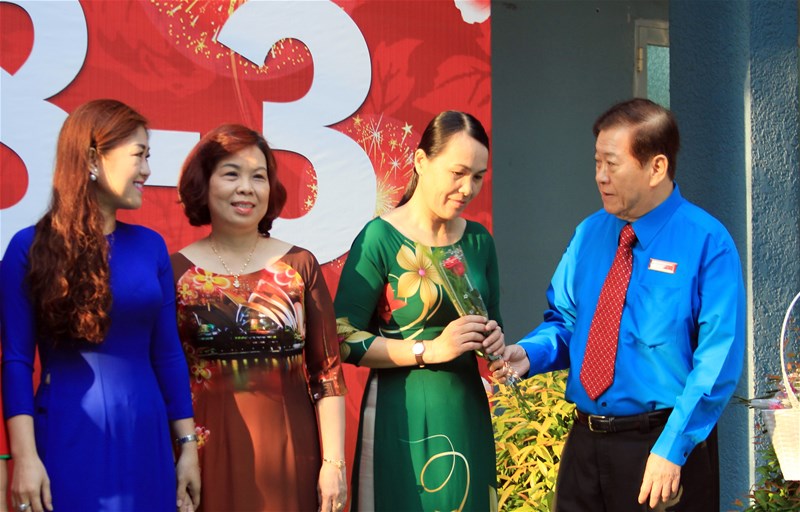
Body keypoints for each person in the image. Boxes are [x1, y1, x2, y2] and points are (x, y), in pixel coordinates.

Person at [494, 98, 745, 511]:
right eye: (597, 162)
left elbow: (716, 360)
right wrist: (530, 353)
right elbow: (567, 321)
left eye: (612, 164)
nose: (600, 176)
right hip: (585, 447)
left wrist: (672, 448)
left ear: (656, 167)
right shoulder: (589, 234)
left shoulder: (707, 242)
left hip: (661, 449)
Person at [1, 99, 201, 512]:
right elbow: (16, 360)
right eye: (138, 155)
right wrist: (25, 457)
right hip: (66, 435)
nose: (147, 170)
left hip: (147, 439)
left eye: (149, 157)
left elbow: (168, 355)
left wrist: (187, 448)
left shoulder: (151, 247)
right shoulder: (28, 247)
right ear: (93, 158)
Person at [335, 110, 505, 511]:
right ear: (421, 161)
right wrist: (428, 350)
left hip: (465, 410)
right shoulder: (379, 238)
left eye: (478, 177)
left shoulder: (479, 241)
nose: (467, 188)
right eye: (457, 173)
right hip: (400, 410)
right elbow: (341, 337)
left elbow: (493, 322)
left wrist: (495, 343)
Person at [173, 124, 348, 512]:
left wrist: (333, 464)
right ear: (204, 183)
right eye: (231, 174)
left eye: (259, 176)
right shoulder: (175, 272)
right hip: (204, 456)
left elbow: (327, 374)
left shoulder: (299, 266)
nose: (246, 188)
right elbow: (165, 376)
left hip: (292, 452)